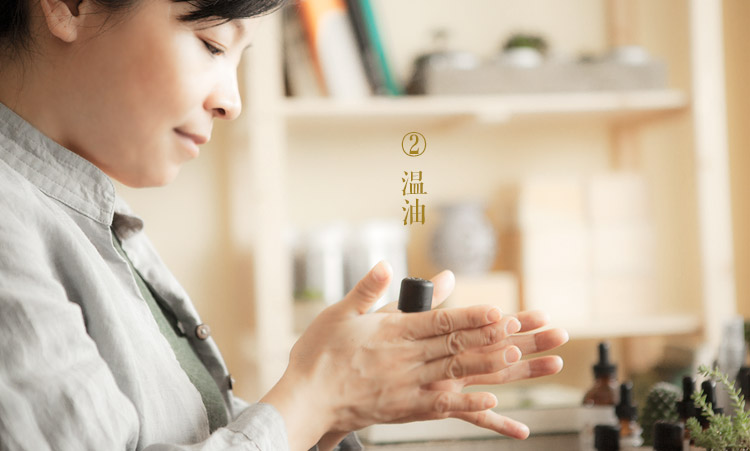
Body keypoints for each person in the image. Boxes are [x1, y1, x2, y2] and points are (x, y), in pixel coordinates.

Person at [0, 0, 569, 450]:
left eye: (238, 59)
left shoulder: (90, 219)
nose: (232, 102)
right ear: (68, 6)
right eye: (211, 43)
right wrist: (314, 395)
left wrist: (337, 403)